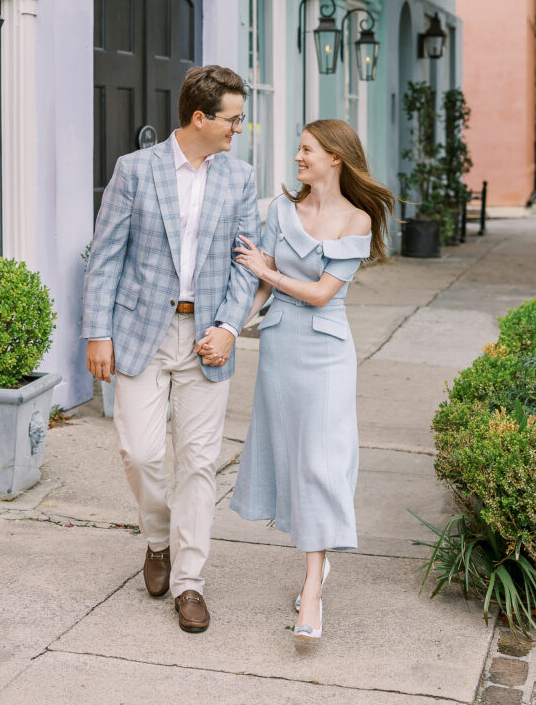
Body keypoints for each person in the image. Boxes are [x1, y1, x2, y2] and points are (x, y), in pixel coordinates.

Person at [82, 65, 260, 634]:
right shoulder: (135, 171)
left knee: (199, 462)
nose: (239, 128)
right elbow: (106, 254)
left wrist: (231, 327)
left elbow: (246, 264)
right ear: (199, 117)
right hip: (141, 333)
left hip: (207, 339)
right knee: (140, 453)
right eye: (232, 118)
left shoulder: (240, 178)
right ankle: (157, 538)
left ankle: (189, 581)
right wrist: (97, 332)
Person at [224, 119, 395, 642]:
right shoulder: (281, 210)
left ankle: (312, 593)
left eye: (307, 150)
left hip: (325, 353)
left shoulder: (357, 220)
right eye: (298, 148)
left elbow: (321, 292)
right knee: (293, 459)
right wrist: (231, 327)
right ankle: (317, 564)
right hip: (279, 348)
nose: (298, 157)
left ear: (335, 158)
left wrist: (266, 272)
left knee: (321, 462)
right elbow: (260, 283)